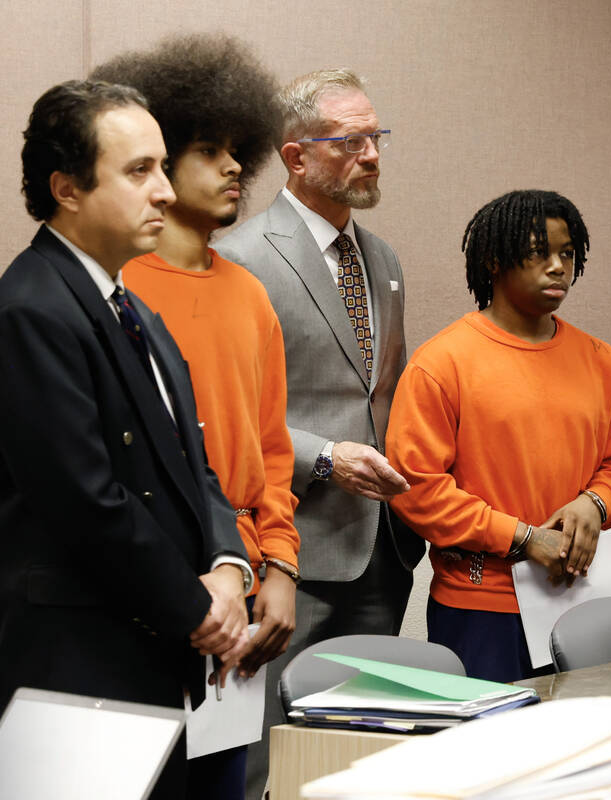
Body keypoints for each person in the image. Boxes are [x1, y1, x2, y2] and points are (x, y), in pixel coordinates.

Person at [0, 80, 253, 799]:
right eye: (139, 171)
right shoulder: (30, 311)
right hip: (77, 675)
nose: (165, 192)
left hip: (155, 652)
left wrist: (231, 568)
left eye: (163, 168)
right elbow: (87, 502)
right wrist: (201, 610)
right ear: (67, 188)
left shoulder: (131, 307)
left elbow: (193, 466)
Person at [90, 35, 297, 799]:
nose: (236, 167)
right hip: (145, 601)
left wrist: (278, 567)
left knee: (222, 788)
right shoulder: (109, 294)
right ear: (161, 166)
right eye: (210, 150)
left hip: (242, 593)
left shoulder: (250, 295)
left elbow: (271, 451)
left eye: (240, 149)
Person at [214, 68, 423, 798]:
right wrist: (326, 457)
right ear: (297, 156)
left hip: (384, 551)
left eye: (377, 137)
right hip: (290, 549)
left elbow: (384, 394)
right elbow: (231, 409)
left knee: (359, 757)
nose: (371, 154)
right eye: (351, 140)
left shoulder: (386, 261)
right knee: (268, 759)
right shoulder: (241, 258)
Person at [387, 190, 611, 682]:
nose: (557, 267)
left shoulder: (601, 361)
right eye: (537, 252)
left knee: (589, 752)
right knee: (493, 755)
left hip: (588, 599)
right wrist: (523, 539)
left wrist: (594, 504)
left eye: (567, 253)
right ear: (494, 261)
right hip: (483, 606)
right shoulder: (442, 363)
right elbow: (417, 489)